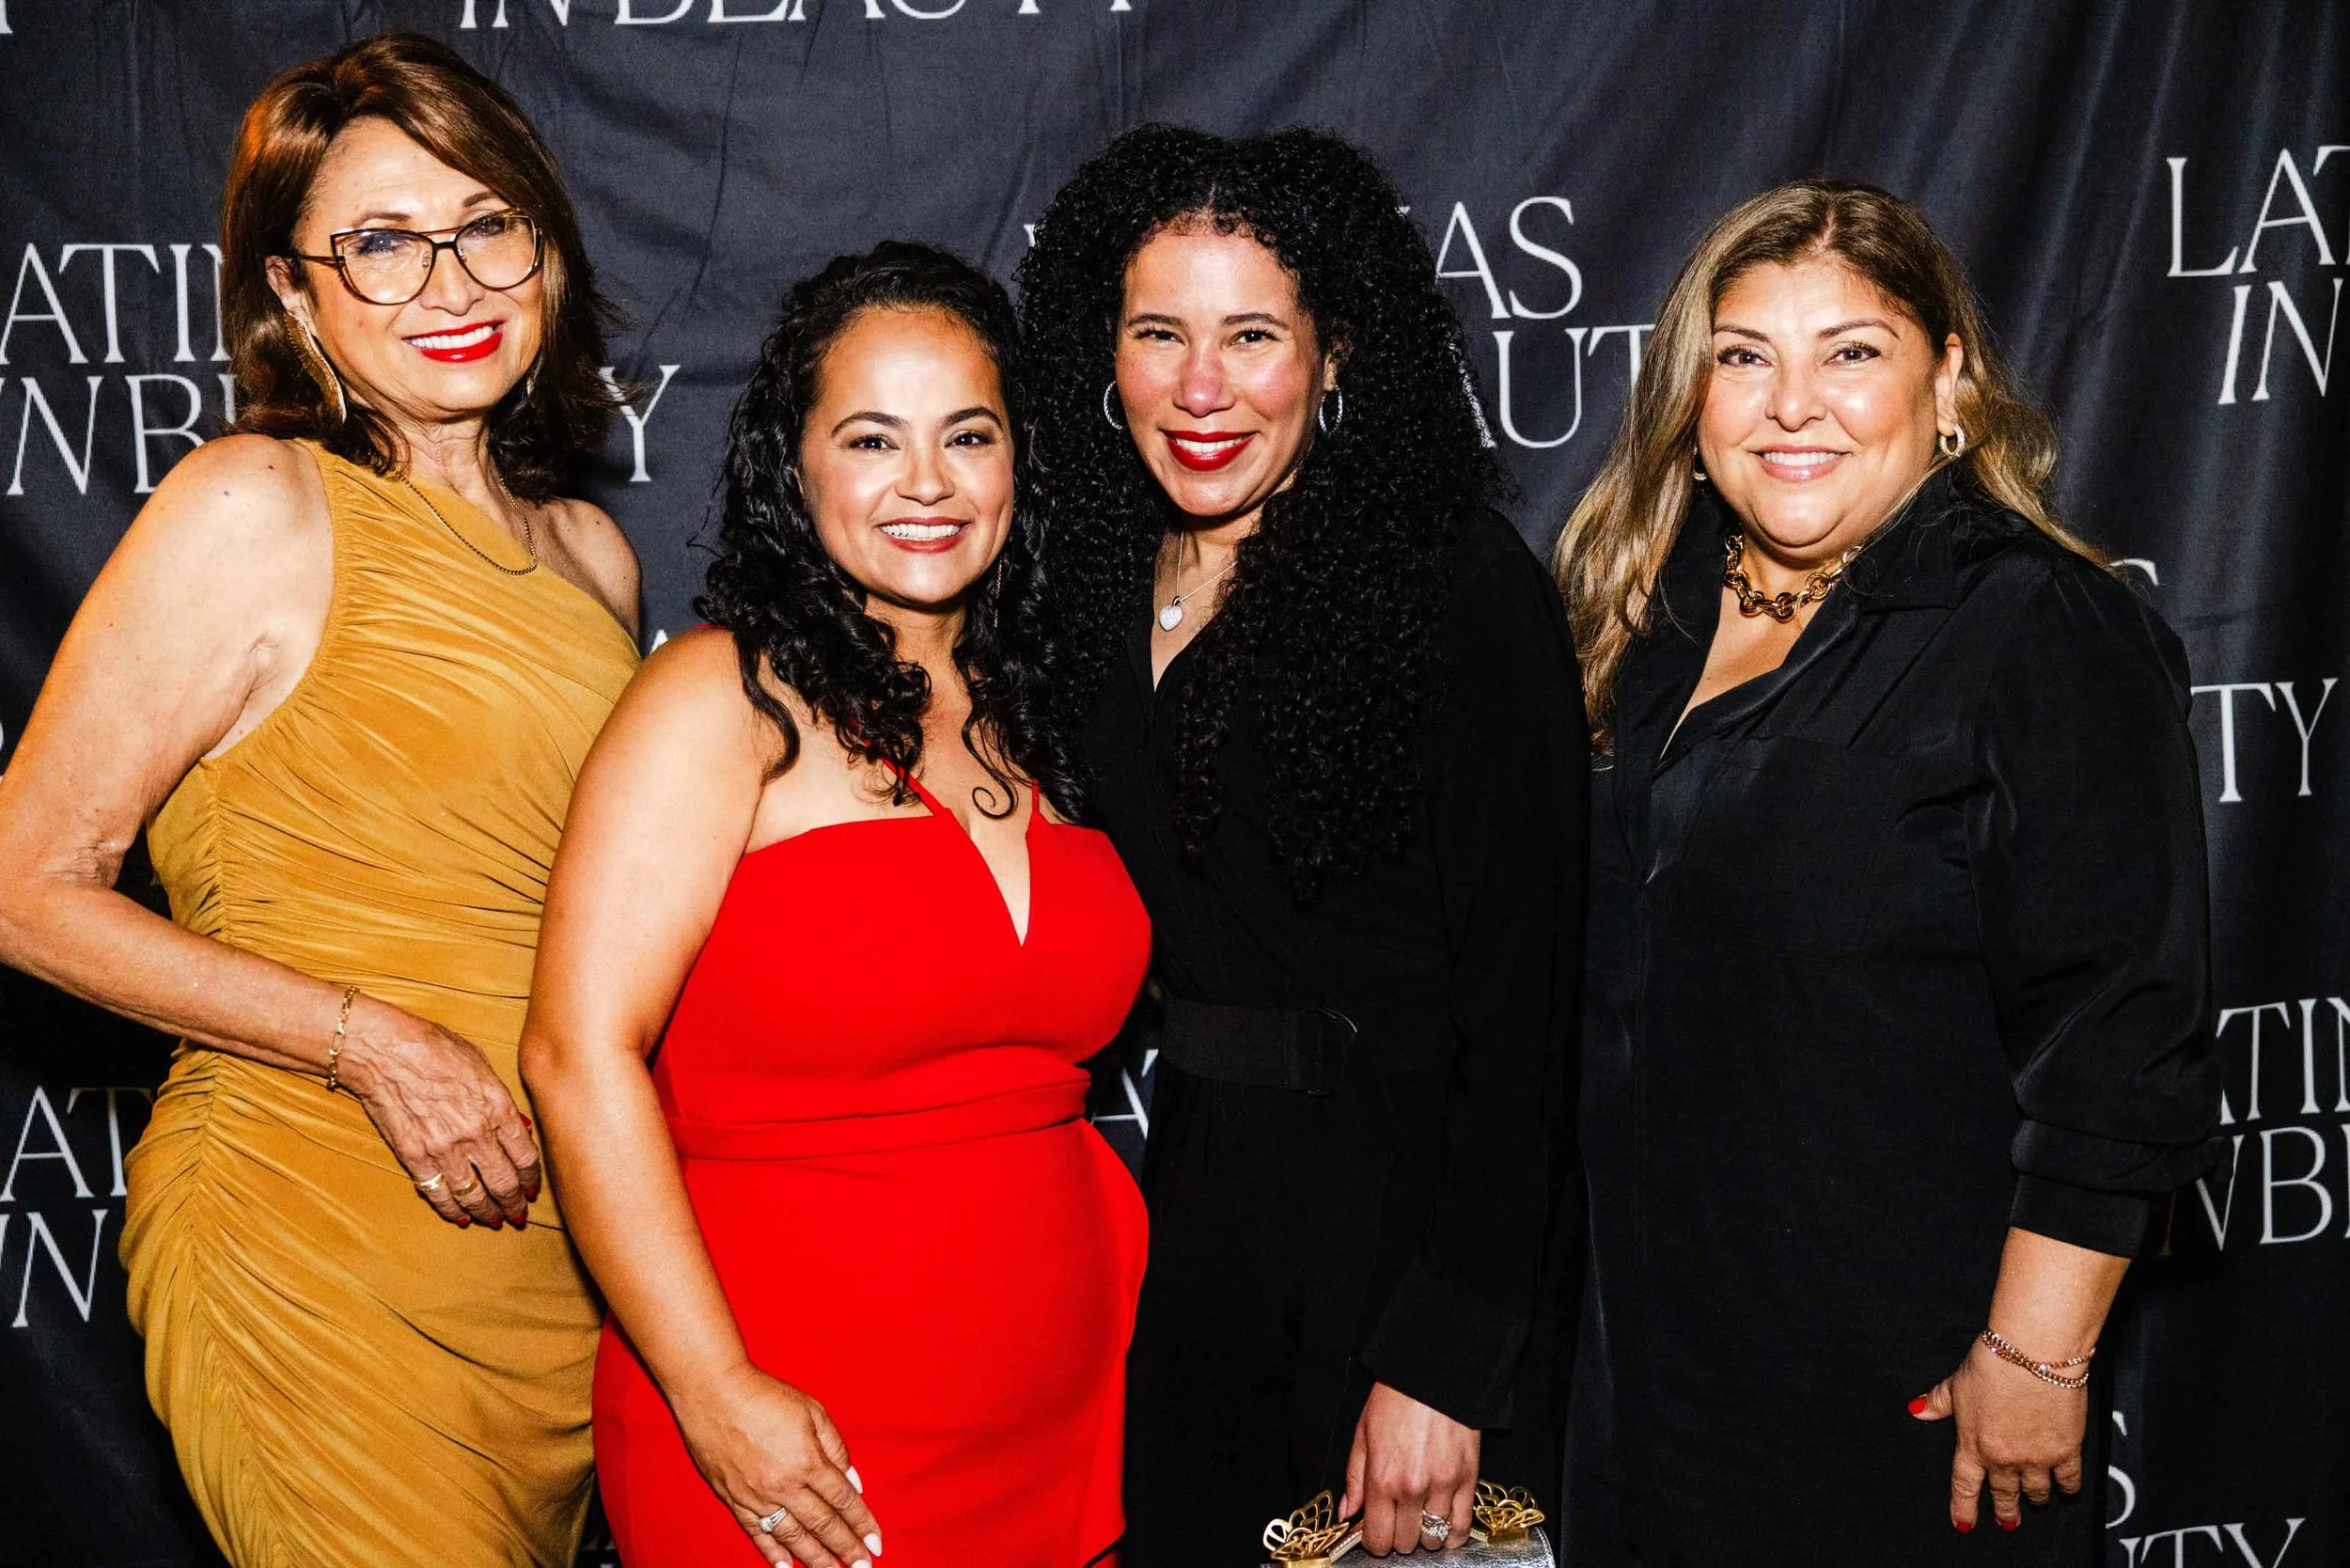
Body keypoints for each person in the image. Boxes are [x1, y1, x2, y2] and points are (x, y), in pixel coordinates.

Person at [0, 32, 639, 1568]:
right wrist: (371, 1045)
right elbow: (24, 884)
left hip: (549, 1280)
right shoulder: (254, 504)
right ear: (293, 292)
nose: (453, 285)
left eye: (488, 226)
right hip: (310, 1222)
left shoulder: (592, 560)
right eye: (381, 245)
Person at [1552, 180, 2217, 1564]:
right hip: (1643, 1384)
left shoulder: (2041, 629)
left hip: (1906, 1398)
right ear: (1692, 397)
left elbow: (2120, 1040)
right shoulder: (1641, 610)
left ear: (1951, 382)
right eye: (1745, 357)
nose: (1794, 404)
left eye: (1851, 353)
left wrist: (2034, 1364)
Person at [519, 243, 1150, 1568]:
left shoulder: (1052, 715)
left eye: (967, 435)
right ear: (792, 468)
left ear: (1018, 461)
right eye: (872, 438)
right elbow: (577, 1058)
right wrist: (713, 1393)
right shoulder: (718, 700)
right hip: (794, 1445)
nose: (926, 483)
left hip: (1062, 1432)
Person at [1019, 125, 1587, 1563]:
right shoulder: (1085, 578)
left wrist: (1447, 1362)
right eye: (1159, 333)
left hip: (1407, 1237)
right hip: (1203, 1223)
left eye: (1252, 335)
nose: (1201, 389)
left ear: (1335, 356)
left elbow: (1529, 1016)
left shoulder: (1451, 588)